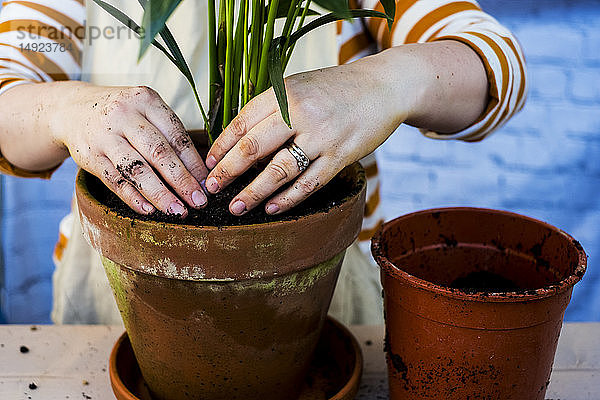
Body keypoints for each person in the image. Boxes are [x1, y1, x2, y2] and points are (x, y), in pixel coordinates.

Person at [0, 0, 526, 325]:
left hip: (327, 307)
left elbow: (500, 64)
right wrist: (61, 109)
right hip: (113, 305)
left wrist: (385, 82)